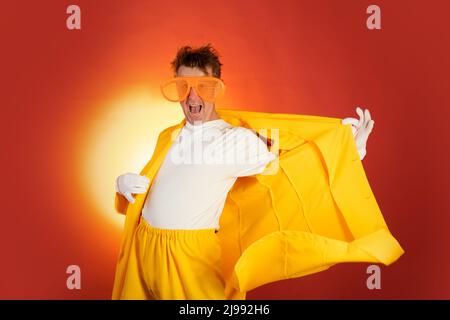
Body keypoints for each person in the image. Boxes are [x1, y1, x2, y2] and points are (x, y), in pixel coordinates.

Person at [112, 44, 403, 300]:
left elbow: (296, 168)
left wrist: (349, 152)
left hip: (189, 258)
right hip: (144, 247)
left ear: (217, 88)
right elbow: (156, 185)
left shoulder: (236, 140)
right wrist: (122, 185)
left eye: (203, 87)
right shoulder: (168, 135)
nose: (192, 97)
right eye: (183, 87)